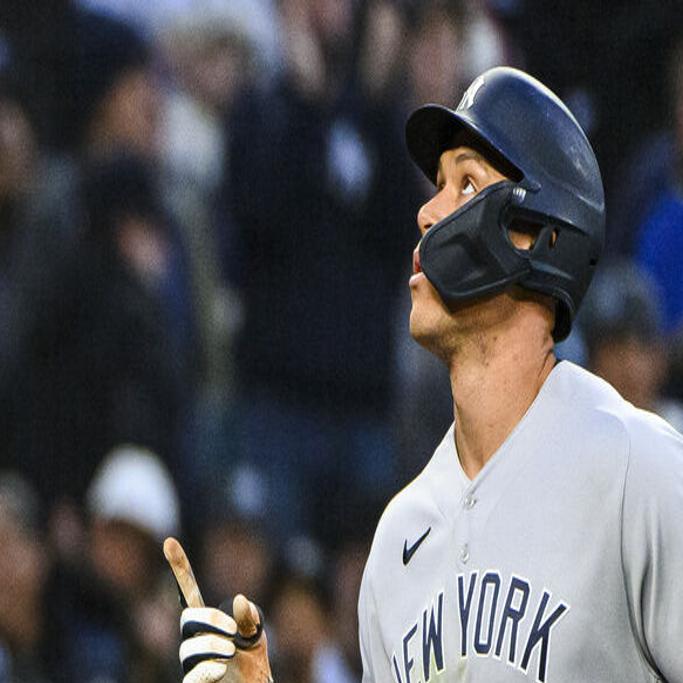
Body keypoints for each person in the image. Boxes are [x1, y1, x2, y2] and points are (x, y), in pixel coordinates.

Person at [176, 67, 683, 682]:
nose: (427, 213)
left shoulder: (640, 471)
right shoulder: (399, 539)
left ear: (538, 235)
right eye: (436, 184)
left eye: (465, 184)